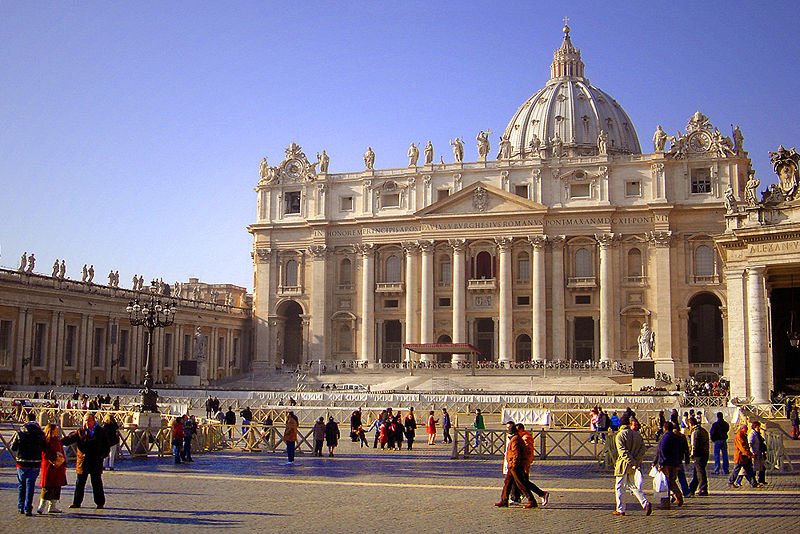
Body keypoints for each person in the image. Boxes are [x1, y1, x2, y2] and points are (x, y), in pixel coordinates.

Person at [62, 413, 110, 509]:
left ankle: (100, 503)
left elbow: (106, 445)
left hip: (96, 461)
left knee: (96, 483)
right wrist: (56, 440)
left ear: (93, 421)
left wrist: (102, 456)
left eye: (88, 420)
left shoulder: (100, 431)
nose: (86, 422)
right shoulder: (81, 431)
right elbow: (69, 439)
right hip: (83, 461)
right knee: (80, 483)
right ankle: (77, 502)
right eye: (85, 420)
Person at [613, 414, 652, 516]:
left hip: (623, 464)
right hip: (633, 464)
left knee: (619, 486)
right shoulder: (637, 435)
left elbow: (622, 452)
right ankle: (645, 503)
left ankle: (620, 509)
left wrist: (632, 461)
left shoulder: (620, 435)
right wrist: (636, 461)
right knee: (632, 485)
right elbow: (643, 449)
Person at [495, 421, 536, 509]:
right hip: (512, 465)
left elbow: (516, 454)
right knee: (507, 483)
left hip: (515, 466)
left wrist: (514, 464)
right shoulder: (515, 438)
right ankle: (504, 500)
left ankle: (531, 500)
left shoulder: (515, 439)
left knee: (521, 483)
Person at [10, 412, 45, 516]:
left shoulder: (20, 432)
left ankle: (20, 506)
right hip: (35, 462)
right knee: (31, 485)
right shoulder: (40, 433)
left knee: (22, 485)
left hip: (22, 462)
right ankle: (28, 508)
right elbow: (44, 448)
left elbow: (13, 447)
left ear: (26, 419)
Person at [509, 423, 549, 507]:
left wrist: (525, 464)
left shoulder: (525, 438)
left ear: (520, 430)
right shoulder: (520, 437)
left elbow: (527, 453)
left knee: (524, 482)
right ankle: (516, 498)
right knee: (517, 481)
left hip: (521, 464)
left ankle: (539, 494)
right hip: (517, 463)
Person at [38, 423, 67, 514]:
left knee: (56, 486)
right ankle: (41, 506)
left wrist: (63, 461)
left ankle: (52, 506)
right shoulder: (46, 441)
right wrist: (54, 457)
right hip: (49, 466)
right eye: (55, 429)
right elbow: (45, 454)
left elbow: (61, 451)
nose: (57, 431)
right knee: (47, 487)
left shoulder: (57, 440)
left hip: (58, 467)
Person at [654, 422, 684, 509]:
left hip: (666, 464)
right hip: (675, 463)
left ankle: (665, 504)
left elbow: (661, 450)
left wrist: (660, 463)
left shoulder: (665, 437)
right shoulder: (676, 437)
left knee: (665, 483)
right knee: (672, 482)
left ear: (664, 428)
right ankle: (679, 497)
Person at [728, 423, 760, 488]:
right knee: (736, 470)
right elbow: (742, 447)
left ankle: (754, 483)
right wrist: (750, 454)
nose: (747, 430)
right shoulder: (740, 435)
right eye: (746, 428)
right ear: (742, 429)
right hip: (740, 457)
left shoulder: (743, 435)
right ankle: (731, 482)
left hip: (744, 457)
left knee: (749, 470)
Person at [687, 417, 710, 496]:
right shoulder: (703, 430)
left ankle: (703, 488)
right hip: (705, 453)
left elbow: (694, 444)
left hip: (698, 454)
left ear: (691, 424)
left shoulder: (695, 432)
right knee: (697, 472)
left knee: (700, 472)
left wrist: (692, 454)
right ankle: (692, 488)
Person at [748, 421, 767, 485]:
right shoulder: (752, 434)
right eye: (758, 427)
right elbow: (750, 443)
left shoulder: (757, 433)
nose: (759, 428)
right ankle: (753, 481)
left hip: (760, 452)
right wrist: (752, 452)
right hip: (755, 453)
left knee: (762, 467)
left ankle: (761, 480)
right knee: (754, 468)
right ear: (755, 427)